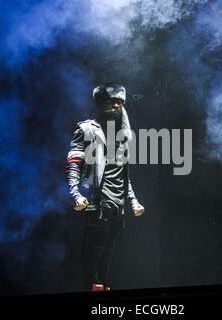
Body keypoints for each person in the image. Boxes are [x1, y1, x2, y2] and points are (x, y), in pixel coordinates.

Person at [66, 83, 145, 291]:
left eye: (120, 102)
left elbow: (123, 175)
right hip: (97, 202)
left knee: (108, 252)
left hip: (118, 205)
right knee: (95, 250)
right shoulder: (87, 129)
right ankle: (93, 288)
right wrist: (75, 193)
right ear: (101, 104)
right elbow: (74, 163)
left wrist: (133, 201)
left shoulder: (122, 137)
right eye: (112, 102)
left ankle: (103, 286)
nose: (117, 106)